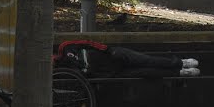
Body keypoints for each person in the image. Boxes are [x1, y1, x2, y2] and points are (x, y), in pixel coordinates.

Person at [54, 40, 200, 78]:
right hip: (110, 73)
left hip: (113, 56)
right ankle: (179, 73)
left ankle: (181, 63)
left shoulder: (65, 48)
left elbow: (88, 43)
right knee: (145, 72)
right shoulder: (63, 71)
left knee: (146, 60)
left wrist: (108, 50)